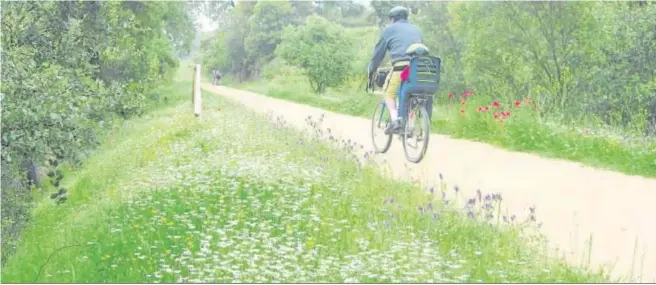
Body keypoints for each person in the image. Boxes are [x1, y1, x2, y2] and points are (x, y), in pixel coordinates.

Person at [367, 6, 429, 134]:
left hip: (401, 67)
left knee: (389, 93)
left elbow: (378, 54)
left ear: (392, 19)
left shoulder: (389, 30)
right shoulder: (416, 29)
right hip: (419, 67)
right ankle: (410, 125)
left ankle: (396, 121)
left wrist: (371, 69)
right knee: (410, 94)